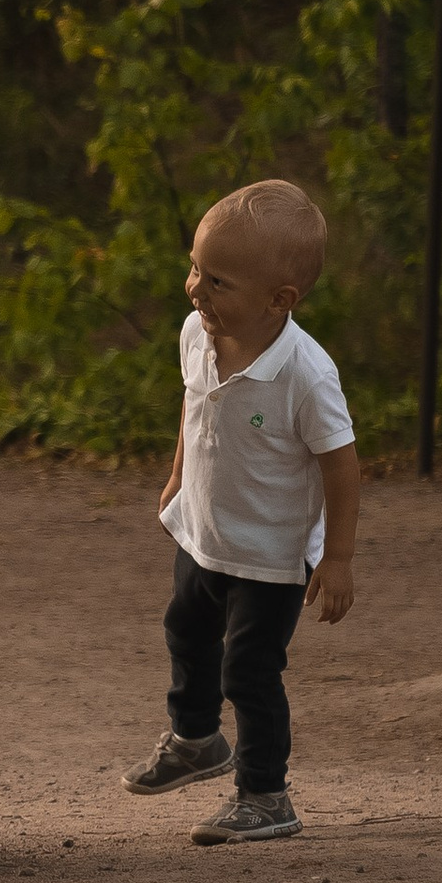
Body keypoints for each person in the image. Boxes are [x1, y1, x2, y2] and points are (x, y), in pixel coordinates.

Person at [121, 177, 360, 846]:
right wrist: (175, 477)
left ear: (280, 299)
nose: (196, 288)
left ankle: (265, 794)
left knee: (248, 671)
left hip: (270, 556)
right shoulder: (197, 334)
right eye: (196, 266)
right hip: (202, 532)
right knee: (185, 631)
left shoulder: (304, 374)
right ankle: (197, 738)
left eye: (218, 280)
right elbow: (194, 407)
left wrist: (336, 556)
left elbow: (341, 463)